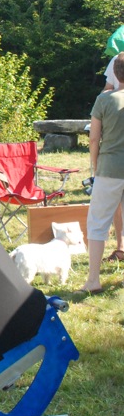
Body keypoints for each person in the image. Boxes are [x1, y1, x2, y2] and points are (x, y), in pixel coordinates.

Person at [80, 52, 124, 293]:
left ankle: (93, 280)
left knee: (97, 224)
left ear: (115, 74)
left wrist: (95, 166)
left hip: (109, 168)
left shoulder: (104, 100)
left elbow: (94, 138)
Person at [101, 51, 124, 260]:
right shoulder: (117, 59)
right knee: (117, 198)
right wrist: (105, 104)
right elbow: (108, 88)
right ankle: (121, 245)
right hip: (117, 129)